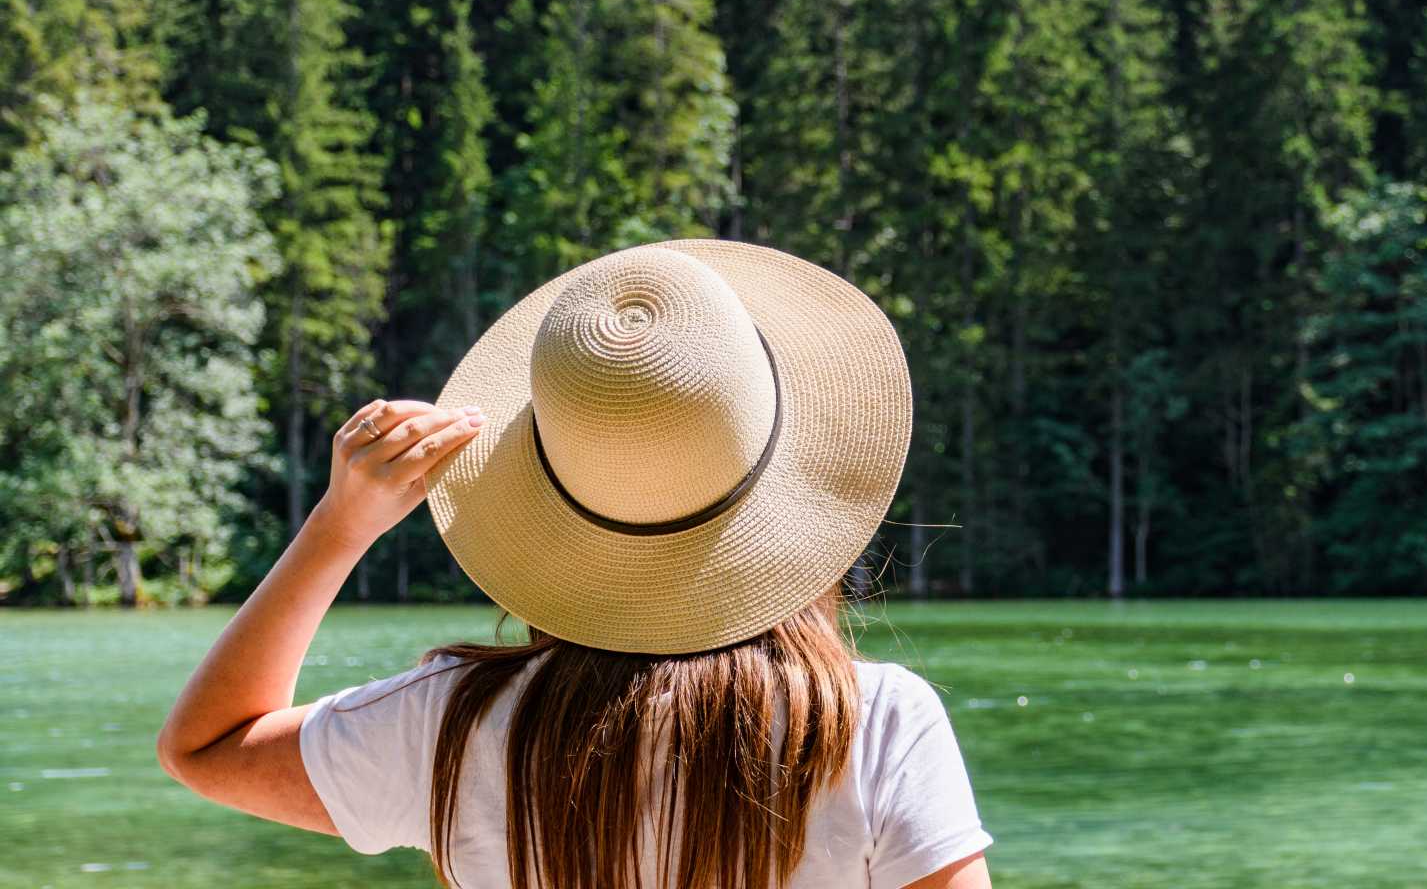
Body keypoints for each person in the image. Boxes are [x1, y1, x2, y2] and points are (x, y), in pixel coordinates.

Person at [157, 238, 995, 889]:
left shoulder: (450, 725)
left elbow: (207, 747)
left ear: (551, 502)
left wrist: (339, 530)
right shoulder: (873, 721)